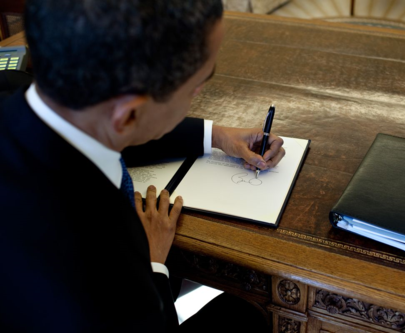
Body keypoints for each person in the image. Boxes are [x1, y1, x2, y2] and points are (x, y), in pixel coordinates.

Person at [0, 0, 285, 332]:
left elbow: (108, 122)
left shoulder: (16, 88)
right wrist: (151, 265)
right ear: (129, 115)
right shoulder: (100, 291)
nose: (198, 92)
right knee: (244, 316)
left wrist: (216, 136)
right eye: (199, 85)